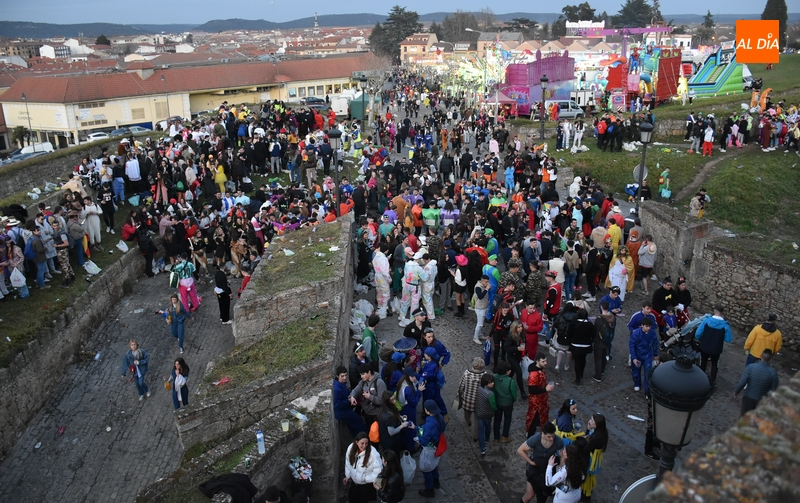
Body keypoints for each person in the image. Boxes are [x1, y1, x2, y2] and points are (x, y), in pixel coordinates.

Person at [518, 422, 564, 503]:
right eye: (549, 436)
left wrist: (560, 466)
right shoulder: (535, 439)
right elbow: (520, 450)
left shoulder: (558, 441)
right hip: (534, 469)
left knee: (542, 497)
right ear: (543, 433)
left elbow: (563, 454)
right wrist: (531, 462)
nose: (552, 439)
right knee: (529, 495)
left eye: (553, 436)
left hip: (548, 470)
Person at [694, 305, 734, 387]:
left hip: (705, 346)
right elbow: (728, 339)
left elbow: (698, 333)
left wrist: (699, 339)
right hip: (716, 348)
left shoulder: (706, 321)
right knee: (714, 363)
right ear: (722, 313)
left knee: (703, 362)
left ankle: (701, 378)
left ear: (715, 311)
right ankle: (712, 380)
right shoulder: (725, 325)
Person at [734, 349, 779, 416]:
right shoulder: (773, 373)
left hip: (748, 398)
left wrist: (736, 391)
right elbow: (773, 390)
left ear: (761, 356)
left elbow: (742, 382)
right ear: (770, 359)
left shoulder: (751, 367)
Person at [416, 399, 446, 498]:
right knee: (434, 465)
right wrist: (417, 428)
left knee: (426, 468)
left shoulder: (429, 425)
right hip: (437, 446)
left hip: (429, 449)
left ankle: (430, 489)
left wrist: (419, 432)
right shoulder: (440, 417)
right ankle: (436, 481)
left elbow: (423, 440)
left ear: (427, 411)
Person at [343, 432, 382, 503]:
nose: (364, 446)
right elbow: (348, 462)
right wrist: (347, 476)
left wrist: (366, 478)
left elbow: (378, 470)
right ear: (356, 442)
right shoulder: (351, 448)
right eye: (362, 443)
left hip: (366, 485)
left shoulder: (373, 453)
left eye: (366, 443)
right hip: (355, 483)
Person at [457, 357, 486, 442]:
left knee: (467, 413)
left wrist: (459, 392)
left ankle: (468, 421)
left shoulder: (467, 374)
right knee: (477, 420)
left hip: (467, 399)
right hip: (479, 401)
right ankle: (475, 436)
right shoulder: (484, 375)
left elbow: (461, 386)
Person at [580, 413, 609, 500]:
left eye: (592, 421)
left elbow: (586, 449)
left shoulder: (596, 437)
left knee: (588, 476)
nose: (589, 421)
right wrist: (588, 429)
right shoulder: (602, 431)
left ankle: (586, 494)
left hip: (591, 459)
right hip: (595, 456)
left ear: (597, 424)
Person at [377, 390, 413, 456]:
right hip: (390, 443)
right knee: (394, 458)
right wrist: (402, 425)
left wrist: (400, 417)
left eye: (394, 398)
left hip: (384, 439)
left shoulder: (383, 408)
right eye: (392, 400)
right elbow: (391, 432)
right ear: (387, 402)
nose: (394, 401)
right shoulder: (389, 417)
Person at [334, 366, 367, 438]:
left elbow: (346, 392)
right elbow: (337, 405)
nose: (345, 378)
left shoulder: (341, 384)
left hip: (345, 408)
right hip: (342, 412)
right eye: (342, 376)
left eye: (346, 375)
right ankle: (363, 438)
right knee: (358, 422)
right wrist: (349, 400)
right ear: (337, 376)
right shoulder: (337, 389)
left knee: (353, 424)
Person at [526, 353, 555, 436]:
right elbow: (531, 390)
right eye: (543, 361)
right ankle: (530, 436)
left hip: (542, 401)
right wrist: (545, 389)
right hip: (536, 403)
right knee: (533, 420)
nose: (545, 363)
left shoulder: (541, 370)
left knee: (541, 418)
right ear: (537, 361)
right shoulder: (534, 374)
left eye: (546, 361)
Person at [629, 317, 659, 393]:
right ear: (642, 325)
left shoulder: (652, 333)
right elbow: (631, 345)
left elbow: (655, 344)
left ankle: (647, 391)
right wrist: (634, 357)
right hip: (638, 354)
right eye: (647, 326)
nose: (648, 328)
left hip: (647, 355)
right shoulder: (636, 333)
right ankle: (637, 383)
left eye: (650, 326)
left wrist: (655, 354)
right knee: (636, 371)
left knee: (648, 372)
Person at [493, 360, 518, 443]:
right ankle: (505, 436)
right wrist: (514, 399)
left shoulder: (494, 377)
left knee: (497, 420)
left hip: (498, 402)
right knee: (507, 419)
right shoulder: (510, 381)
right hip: (508, 403)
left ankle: (496, 438)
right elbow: (514, 393)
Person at [567, 309, 593, 385]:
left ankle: (578, 378)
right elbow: (593, 335)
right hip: (586, 345)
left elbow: (569, 333)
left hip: (575, 345)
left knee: (577, 362)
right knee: (583, 359)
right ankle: (581, 373)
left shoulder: (573, 323)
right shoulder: (589, 325)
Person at [420, 347, 448, 418]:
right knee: (437, 397)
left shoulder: (431, 367)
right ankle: (444, 412)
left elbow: (423, 377)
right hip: (434, 384)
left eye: (426, 354)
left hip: (429, 385)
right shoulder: (433, 363)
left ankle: (428, 415)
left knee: (428, 399)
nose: (424, 354)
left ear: (429, 356)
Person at [474, 373, 497, 455]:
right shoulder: (491, 394)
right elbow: (493, 406)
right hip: (487, 414)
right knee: (487, 427)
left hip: (479, 413)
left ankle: (482, 448)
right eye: (491, 382)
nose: (493, 383)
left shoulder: (479, 388)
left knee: (480, 430)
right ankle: (486, 439)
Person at [472, 275, 491, 344]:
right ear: (482, 281)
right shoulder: (478, 287)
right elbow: (480, 296)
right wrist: (486, 289)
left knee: (480, 323)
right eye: (486, 282)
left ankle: (480, 335)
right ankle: (475, 337)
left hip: (484, 306)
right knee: (480, 324)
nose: (487, 283)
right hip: (480, 307)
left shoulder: (483, 285)